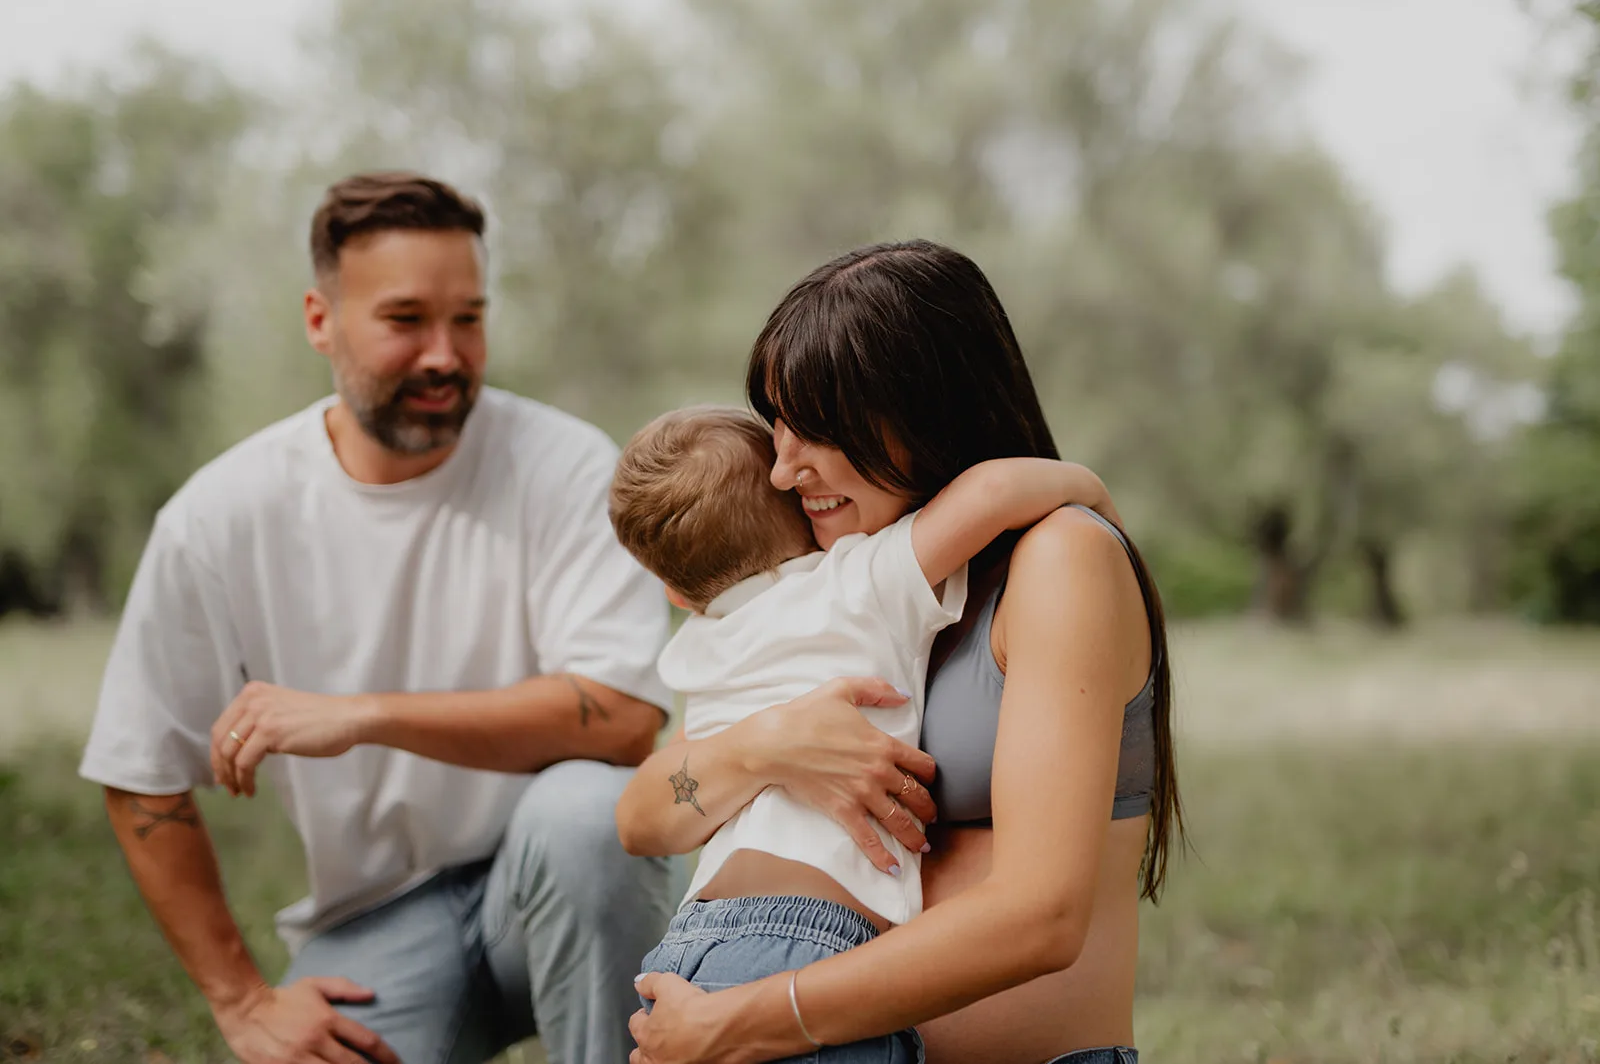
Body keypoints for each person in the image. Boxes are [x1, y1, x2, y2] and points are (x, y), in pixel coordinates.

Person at [77, 171, 677, 1064]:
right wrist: (242, 1001)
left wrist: (361, 715)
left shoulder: (565, 466)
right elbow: (139, 768)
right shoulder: (220, 517)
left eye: (468, 318)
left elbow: (624, 721)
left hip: (554, 871)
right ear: (321, 319)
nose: (445, 352)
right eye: (406, 320)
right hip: (377, 918)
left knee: (589, 815)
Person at [617, 239, 1183, 1064]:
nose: (782, 470)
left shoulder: (1060, 558)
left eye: (817, 428)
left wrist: (745, 1018)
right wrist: (770, 744)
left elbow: (1041, 915)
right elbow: (645, 812)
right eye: (777, 427)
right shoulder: (829, 595)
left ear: (924, 409)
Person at [608, 407, 1119, 1062]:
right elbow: (994, 492)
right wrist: (1093, 493)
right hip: (811, 943)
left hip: (688, 945)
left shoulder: (697, 648)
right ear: (800, 513)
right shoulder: (857, 579)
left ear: (675, 593)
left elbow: (662, 801)